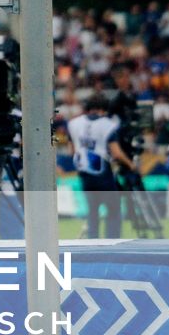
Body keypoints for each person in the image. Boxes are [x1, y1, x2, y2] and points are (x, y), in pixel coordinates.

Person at [68, 94, 131, 238]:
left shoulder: (74, 123)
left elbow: (72, 150)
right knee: (113, 209)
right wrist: (130, 164)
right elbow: (116, 153)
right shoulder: (107, 124)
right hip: (103, 173)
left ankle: (93, 243)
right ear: (103, 109)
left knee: (92, 211)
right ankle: (111, 243)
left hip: (84, 173)